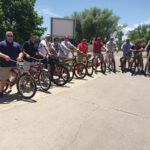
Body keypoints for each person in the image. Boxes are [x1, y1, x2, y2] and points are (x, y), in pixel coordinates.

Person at [0, 31, 23, 97]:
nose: (10, 37)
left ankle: (11, 83)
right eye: (9, 36)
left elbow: (21, 52)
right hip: (4, 65)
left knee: (19, 75)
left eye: (11, 36)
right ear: (6, 36)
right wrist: (5, 56)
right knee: (3, 80)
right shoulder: (1, 43)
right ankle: (1, 91)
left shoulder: (16, 44)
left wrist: (19, 57)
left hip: (14, 64)